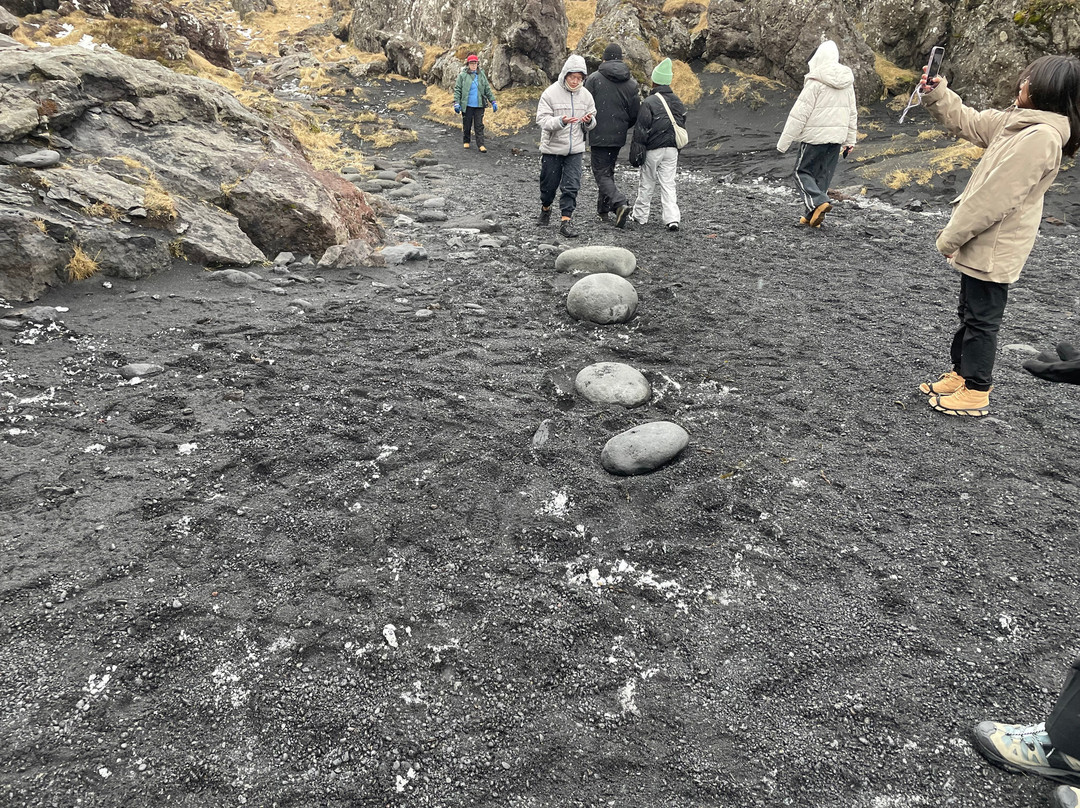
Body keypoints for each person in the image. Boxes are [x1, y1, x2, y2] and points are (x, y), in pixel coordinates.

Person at [916, 55, 1080, 417]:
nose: (1020, 85)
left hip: (996, 245)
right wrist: (937, 91)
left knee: (982, 320)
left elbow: (995, 199)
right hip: (984, 241)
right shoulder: (1019, 124)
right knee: (969, 311)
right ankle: (961, 375)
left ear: (1046, 90)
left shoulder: (1041, 137)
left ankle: (976, 390)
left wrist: (951, 237)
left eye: (1028, 82)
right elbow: (970, 121)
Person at [776, 40, 858, 228]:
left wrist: (783, 143)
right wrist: (849, 140)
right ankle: (812, 215)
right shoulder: (847, 83)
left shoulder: (815, 82)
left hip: (814, 138)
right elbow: (852, 112)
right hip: (836, 139)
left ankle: (818, 202)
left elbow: (798, 114)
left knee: (801, 172)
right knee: (822, 176)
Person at [536, 54, 597, 239]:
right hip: (552, 148)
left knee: (571, 186)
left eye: (579, 78)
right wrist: (560, 121)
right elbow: (542, 120)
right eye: (572, 77)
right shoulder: (549, 93)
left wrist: (589, 121)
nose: (575, 81)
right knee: (549, 186)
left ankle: (566, 221)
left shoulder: (586, 96)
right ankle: (546, 208)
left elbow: (593, 120)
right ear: (565, 74)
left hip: (576, 149)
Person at [584, 43, 639, 228]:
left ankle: (619, 203)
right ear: (621, 58)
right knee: (608, 171)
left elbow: (585, 105)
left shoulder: (593, 79)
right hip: (618, 135)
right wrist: (622, 126)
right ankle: (603, 210)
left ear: (604, 58)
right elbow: (634, 114)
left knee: (601, 173)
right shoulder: (631, 83)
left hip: (598, 133)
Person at [627, 57, 686, 232]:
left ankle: (640, 216)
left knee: (647, 182)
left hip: (653, 149)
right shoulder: (677, 101)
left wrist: (637, 154)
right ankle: (672, 219)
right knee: (668, 183)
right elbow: (681, 124)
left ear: (654, 81)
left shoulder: (649, 102)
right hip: (672, 149)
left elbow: (641, 131)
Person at [454, 54, 498, 153]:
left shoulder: (481, 75)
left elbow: (487, 89)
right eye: (471, 63)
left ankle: (481, 144)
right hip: (467, 105)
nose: (474, 65)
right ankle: (466, 140)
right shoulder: (462, 76)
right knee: (467, 124)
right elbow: (458, 90)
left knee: (479, 125)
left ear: (478, 64)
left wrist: (493, 101)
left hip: (479, 105)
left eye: (475, 63)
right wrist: (456, 103)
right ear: (468, 64)